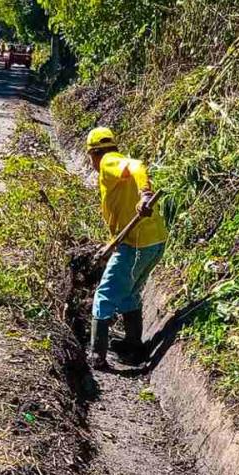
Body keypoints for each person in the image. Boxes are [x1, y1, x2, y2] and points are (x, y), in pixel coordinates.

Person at [86, 127, 168, 369]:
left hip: (137, 245)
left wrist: (145, 194)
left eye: (91, 156)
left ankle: (97, 356)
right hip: (154, 241)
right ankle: (133, 347)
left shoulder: (108, 162)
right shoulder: (114, 165)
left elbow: (137, 166)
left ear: (96, 153)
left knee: (104, 295)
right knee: (130, 293)